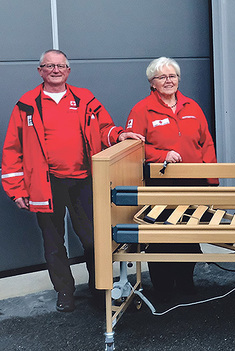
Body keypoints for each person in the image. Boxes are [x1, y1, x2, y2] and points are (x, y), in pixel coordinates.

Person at [1, 49, 144, 312]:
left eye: (60, 66)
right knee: (54, 244)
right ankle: (64, 293)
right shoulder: (26, 104)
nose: (55, 70)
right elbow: (12, 149)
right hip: (46, 184)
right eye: (49, 66)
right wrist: (15, 189)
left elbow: (104, 128)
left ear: (68, 71)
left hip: (83, 182)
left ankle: (98, 288)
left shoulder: (85, 99)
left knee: (93, 240)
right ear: (40, 71)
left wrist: (119, 135)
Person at [124, 57, 218, 300]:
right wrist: (161, 154)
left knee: (189, 237)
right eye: (162, 77)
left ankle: (187, 284)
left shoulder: (192, 106)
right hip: (161, 184)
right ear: (152, 83)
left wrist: (211, 180)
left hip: (193, 183)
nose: (168, 81)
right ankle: (163, 289)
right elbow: (133, 148)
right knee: (162, 239)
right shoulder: (141, 109)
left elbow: (206, 143)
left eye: (172, 76)